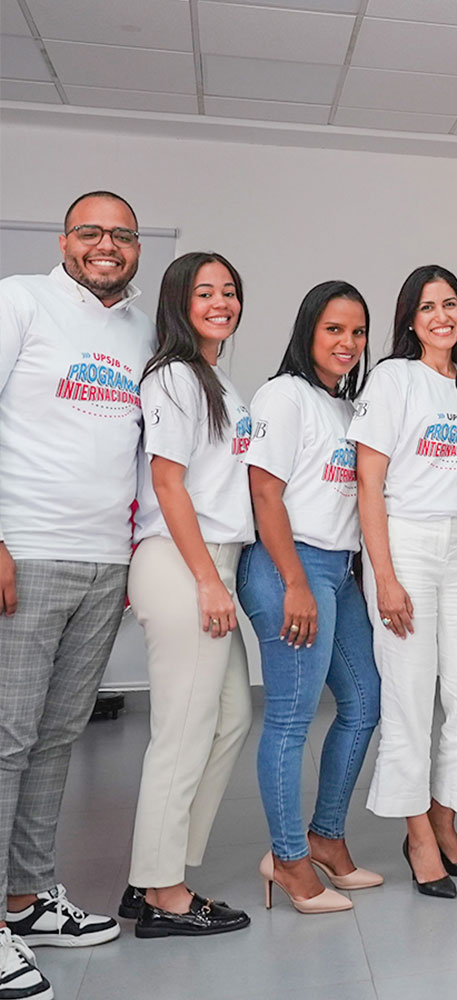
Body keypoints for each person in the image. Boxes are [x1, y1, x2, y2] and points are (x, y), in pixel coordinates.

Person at [0, 191, 149, 996]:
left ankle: (26, 900)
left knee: (57, 738)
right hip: (26, 551)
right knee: (6, 739)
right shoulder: (19, 301)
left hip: (104, 561)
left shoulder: (141, 331)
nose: (106, 245)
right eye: (91, 231)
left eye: (122, 234)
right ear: (65, 240)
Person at [349, 265, 457, 899]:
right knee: (408, 698)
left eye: (451, 304)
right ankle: (418, 837)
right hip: (404, 544)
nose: (442, 316)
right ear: (411, 319)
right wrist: (383, 575)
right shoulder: (393, 378)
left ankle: (445, 818)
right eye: (429, 306)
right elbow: (369, 481)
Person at [238, 281, 382, 913]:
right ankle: (289, 860)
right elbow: (263, 492)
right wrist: (295, 580)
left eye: (357, 331)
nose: (348, 343)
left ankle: (325, 836)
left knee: (366, 701)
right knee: (292, 718)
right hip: (288, 565)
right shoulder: (284, 395)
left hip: (339, 571)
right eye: (334, 329)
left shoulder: (347, 408)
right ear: (308, 331)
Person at [122, 252, 255, 936]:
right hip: (184, 562)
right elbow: (168, 484)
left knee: (229, 717)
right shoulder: (174, 375)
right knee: (181, 733)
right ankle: (163, 893)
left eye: (229, 291)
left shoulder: (216, 379)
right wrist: (207, 579)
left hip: (210, 561)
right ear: (179, 301)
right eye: (205, 292)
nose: (220, 302)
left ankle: (158, 869)